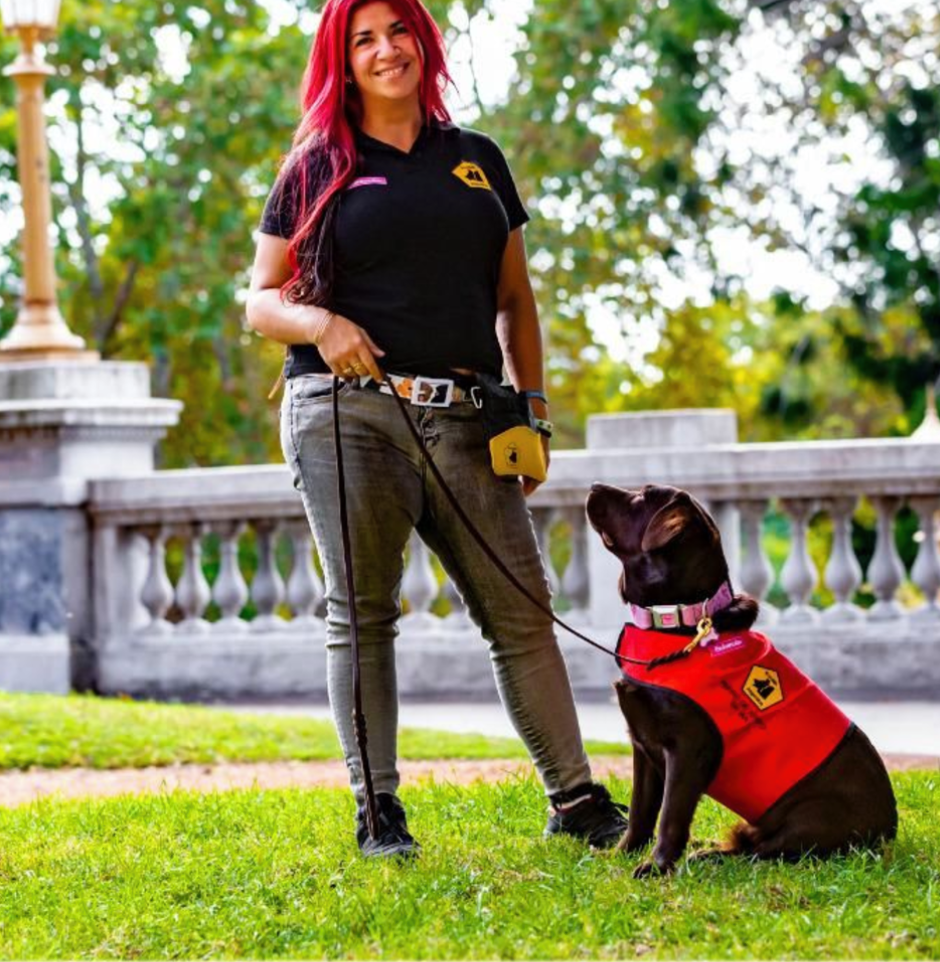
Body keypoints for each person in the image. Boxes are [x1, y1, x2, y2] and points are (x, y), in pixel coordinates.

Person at [244, 0, 628, 859]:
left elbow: (515, 300)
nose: (386, 50)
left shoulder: (477, 160)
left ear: (424, 41)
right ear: (342, 61)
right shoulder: (317, 164)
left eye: (399, 31)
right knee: (363, 613)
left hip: (469, 416)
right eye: (364, 40)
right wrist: (321, 326)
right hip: (347, 413)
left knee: (521, 608)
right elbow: (260, 300)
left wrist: (534, 411)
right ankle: (378, 811)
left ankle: (576, 801)